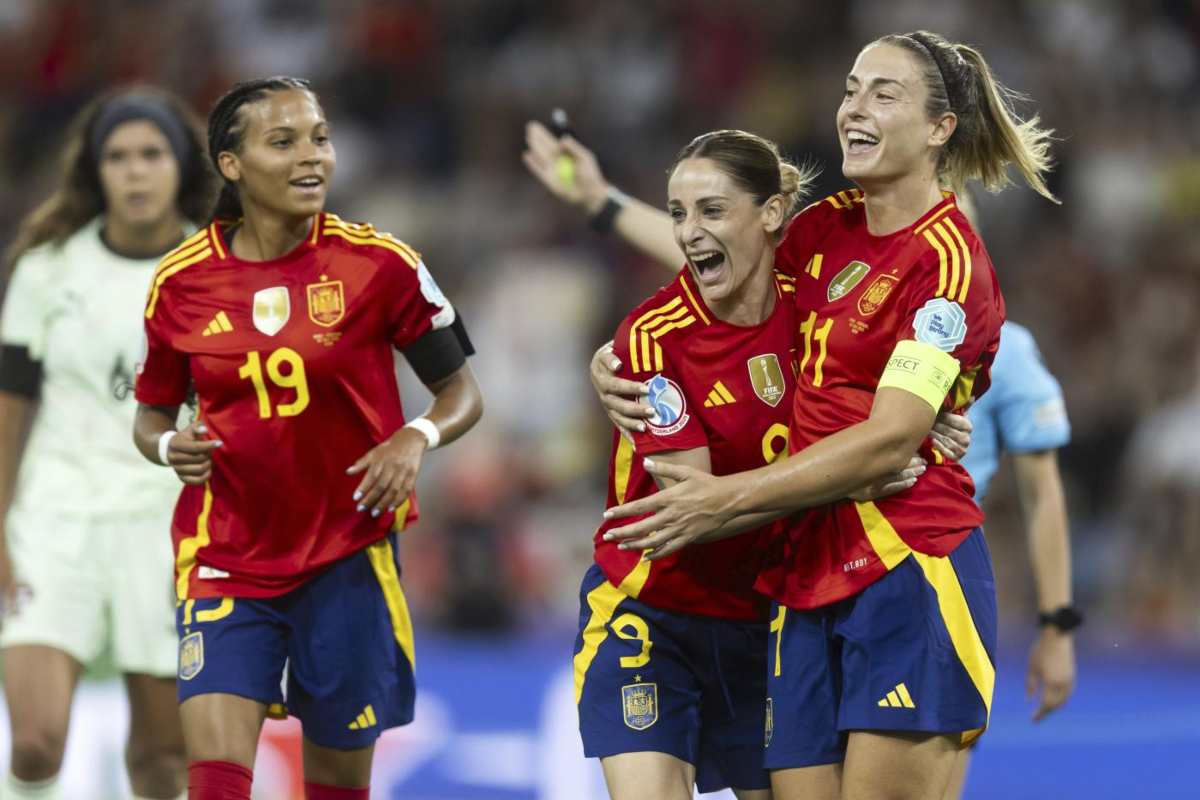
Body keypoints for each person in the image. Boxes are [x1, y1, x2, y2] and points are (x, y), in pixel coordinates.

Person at [553, 30, 1057, 800]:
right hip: (799, 579)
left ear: (939, 128)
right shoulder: (827, 228)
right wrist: (620, 336)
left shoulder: (947, 262)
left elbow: (891, 440)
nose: (854, 108)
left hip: (905, 562)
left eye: (883, 94)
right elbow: (722, 253)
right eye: (851, 89)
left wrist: (725, 498)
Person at [131, 76, 483, 800]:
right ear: (232, 164)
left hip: (347, 555)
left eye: (320, 139)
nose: (312, 156)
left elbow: (462, 394)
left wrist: (415, 436)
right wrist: (169, 447)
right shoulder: (181, 282)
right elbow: (150, 415)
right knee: (215, 787)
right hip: (225, 556)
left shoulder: (380, 264)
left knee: (334, 787)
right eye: (284, 142)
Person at [0, 87, 216, 800]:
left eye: (152, 154)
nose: (135, 171)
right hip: (55, 516)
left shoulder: (217, 269)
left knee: (161, 757)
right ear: (95, 171)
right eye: (118, 157)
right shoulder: (47, 269)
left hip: (169, 523)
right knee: (34, 743)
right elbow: (9, 406)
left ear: (180, 164)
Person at [945, 319, 1078, 798]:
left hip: (940, 582)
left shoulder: (1008, 350)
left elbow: (1043, 496)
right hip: (821, 572)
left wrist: (1057, 626)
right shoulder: (842, 323)